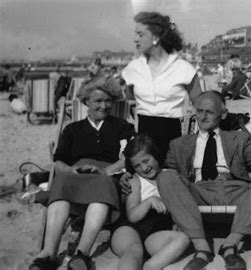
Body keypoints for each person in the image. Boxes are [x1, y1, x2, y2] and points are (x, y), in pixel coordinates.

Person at [157, 91, 251, 270]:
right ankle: (202, 248)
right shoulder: (178, 144)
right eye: (199, 111)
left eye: (209, 112)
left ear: (223, 114)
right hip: (198, 191)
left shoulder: (238, 139)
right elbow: (169, 174)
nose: (202, 116)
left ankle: (230, 245)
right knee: (165, 176)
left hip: (236, 190)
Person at [29, 74, 135, 270]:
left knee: (102, 183)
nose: (104, 106)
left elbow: (127, 157)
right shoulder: (72, 129)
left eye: (108, 101)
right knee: (61, 181)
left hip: (105, 175)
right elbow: (58, 161)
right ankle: (48, 252)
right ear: (86, 101)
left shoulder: (121, 127)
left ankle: (82, 253)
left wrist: (106, 170)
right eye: (98, 101)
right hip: (76, 176)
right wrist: (71, 170)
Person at [121, 11, 202, 164]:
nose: (134, 39)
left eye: (140, 34)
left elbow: (202, 105)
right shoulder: (133, 69)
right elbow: (129, 103)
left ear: (156, 38)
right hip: (142, 140)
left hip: (173, 140)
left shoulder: (184, 69)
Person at [111, 134, 189, 270]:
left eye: (146, 161)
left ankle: (151, 267)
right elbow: (133, 216)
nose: (144, 168)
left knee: (183, 239)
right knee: (134, 250)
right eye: (137, 166)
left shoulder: (170, 175)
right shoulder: (136, 180)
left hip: (155, 232)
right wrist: (149, 201)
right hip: (129, 229)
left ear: (155, 155)